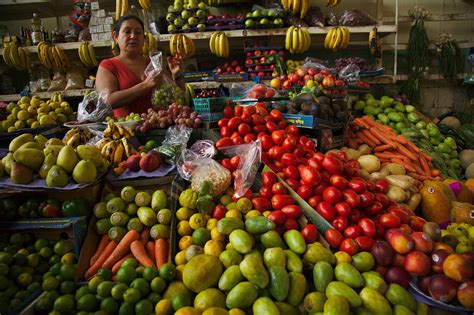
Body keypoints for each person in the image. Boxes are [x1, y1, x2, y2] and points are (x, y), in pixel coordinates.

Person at [95, 15, 183, 118]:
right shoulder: (108, 65)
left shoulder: (153, 63)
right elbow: (107, 102)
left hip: (156, 127)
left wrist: (176, 75)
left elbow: (176, 96)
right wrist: (145, 85)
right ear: (116, 37)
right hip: (125, 131)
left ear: (143, 38)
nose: (133, 36)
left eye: (138, 32)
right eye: (127, 32)